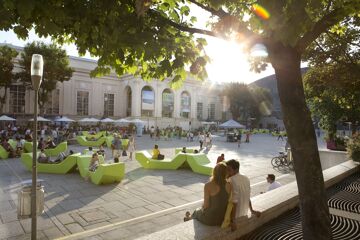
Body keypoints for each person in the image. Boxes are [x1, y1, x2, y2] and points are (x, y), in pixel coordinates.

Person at [226, 159, 260, 231]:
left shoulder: (231, 180)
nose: (227, 172)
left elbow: (234, 202)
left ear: (236, 170)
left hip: (236, 215)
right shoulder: (246, 177)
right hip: (244, 212)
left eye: (229, 170)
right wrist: (252, 210)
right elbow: (248, 196)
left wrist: (233, 220)